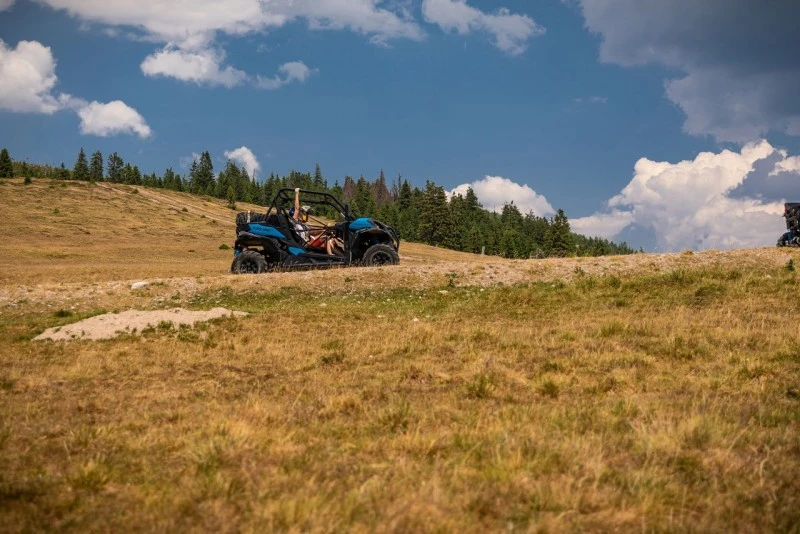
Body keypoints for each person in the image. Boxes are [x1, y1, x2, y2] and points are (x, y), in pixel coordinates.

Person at [291, 188, 343, 255]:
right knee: (326, 237)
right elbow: (297, 208)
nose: (306, 216)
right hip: (304, 246)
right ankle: (331, 255)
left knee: (330, 240)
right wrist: (296, 193)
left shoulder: (303, 225)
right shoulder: (294, 223)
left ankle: (343, 257)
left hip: (308, 242)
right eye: (304, 214)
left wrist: (325, 230)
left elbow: (314, 231)